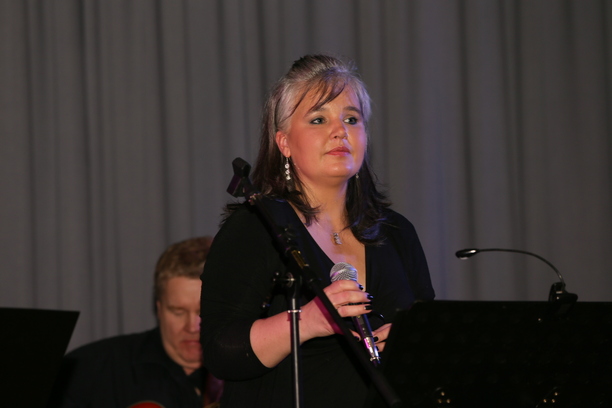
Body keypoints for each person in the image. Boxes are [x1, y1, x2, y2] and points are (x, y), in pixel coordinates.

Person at [199, 54, 435, 408]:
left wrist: (408, 346)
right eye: (318, 119)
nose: (340, 131)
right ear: (284, 143)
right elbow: (221, 351)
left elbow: (429, 343)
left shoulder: (397, 232)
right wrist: (307, 321)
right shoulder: (256, 227)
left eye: (352, 119)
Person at [50, 236, 223, 408]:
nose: (192, 327)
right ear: (159, 308)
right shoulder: (87, 369)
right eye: (178, 311)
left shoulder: (237, 376)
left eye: (204, 313)